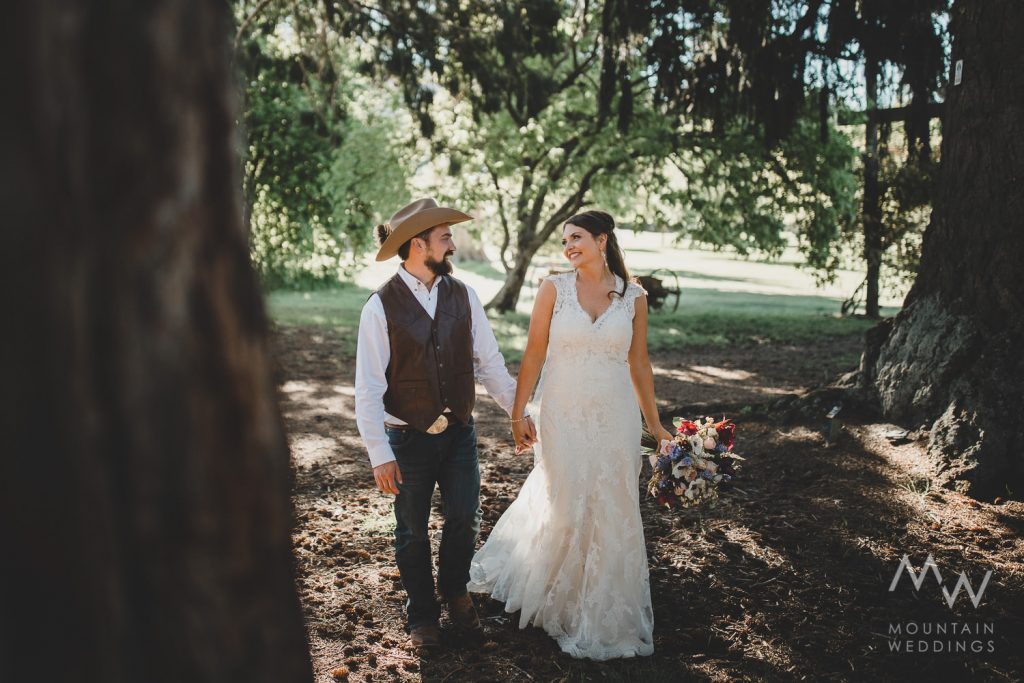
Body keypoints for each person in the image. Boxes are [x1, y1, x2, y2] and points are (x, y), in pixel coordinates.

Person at [468, 210, 672, 660]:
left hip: (616, 415)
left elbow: (639, 363)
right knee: (565, 498)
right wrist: (518, 413)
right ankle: (554, 597)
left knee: (612, 502)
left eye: (576, 237)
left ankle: (603, 607)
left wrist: (655, 425)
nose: (568, 247)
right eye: (564, 241)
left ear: (602, 240)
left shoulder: (634, 296)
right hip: (562, 411)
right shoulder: (553, 289)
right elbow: (534, 353)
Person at [354, 197, 536, 650]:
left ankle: (456, 594)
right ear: (418, 244)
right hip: (405, 439)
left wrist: (518, 413)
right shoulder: (379, 307)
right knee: (411, 530)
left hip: (459, 434)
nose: (452, 245)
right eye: (445, 237)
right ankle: (422, 617)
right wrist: (379, 454)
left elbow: (489, 363)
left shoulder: (465, 296)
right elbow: (368, 388)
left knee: (465, 517)